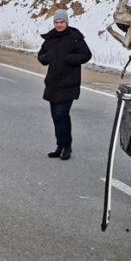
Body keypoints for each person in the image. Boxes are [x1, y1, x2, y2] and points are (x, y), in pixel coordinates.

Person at [37, 9, 92, 160]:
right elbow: (41, 55)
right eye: (56, 22)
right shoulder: (50, 38)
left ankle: (67, 147)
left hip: (69, 83)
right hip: (53, 84)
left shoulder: (75, 37)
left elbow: (86, 55)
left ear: (67, 22)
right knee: (56, 117)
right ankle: (59, 146)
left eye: (62, 22)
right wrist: (47, 57)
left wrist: (70, 58)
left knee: (62, 115)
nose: (59, 25)